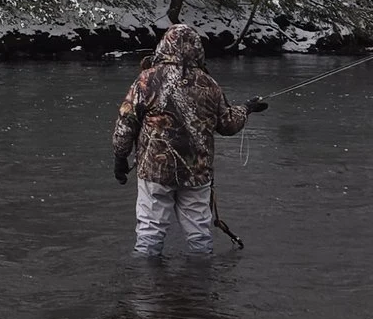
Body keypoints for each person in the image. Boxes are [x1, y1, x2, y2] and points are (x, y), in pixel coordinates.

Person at [112, 24, 264, 255]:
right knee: (199, 235)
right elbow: (228, 125)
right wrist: (247, 108)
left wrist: (120, 159)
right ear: (197, 50)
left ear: (163, 46)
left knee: (149, 234)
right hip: (197, 173)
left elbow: (126, 124)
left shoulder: (146, 80)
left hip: (155, 172)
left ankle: (144, 287)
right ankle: (201, 285)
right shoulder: (208, 84)